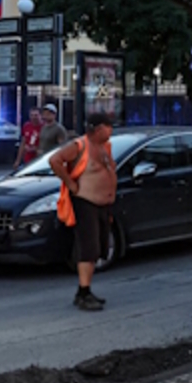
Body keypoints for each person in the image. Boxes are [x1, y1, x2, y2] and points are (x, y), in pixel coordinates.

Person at [49, 113, 116, 311]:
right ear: (98, 128)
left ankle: (83, 291)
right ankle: (84, 292)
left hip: (103, 205)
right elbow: (54, 160)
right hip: (86, 202)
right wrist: (71, 184)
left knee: (100, 249)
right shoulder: (79, 146)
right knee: (89, 248)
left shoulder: (105, 147)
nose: (111, 130)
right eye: (108, 126)